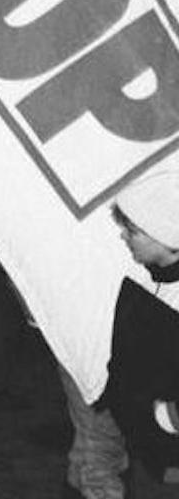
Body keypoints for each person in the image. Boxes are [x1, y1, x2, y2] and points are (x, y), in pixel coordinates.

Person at [97, 171, 179, 498]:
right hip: (145, 450)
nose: (123, 237)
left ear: (166, 236)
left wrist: (163, 417)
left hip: (169, 460)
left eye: (132, 231)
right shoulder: (144, 280)